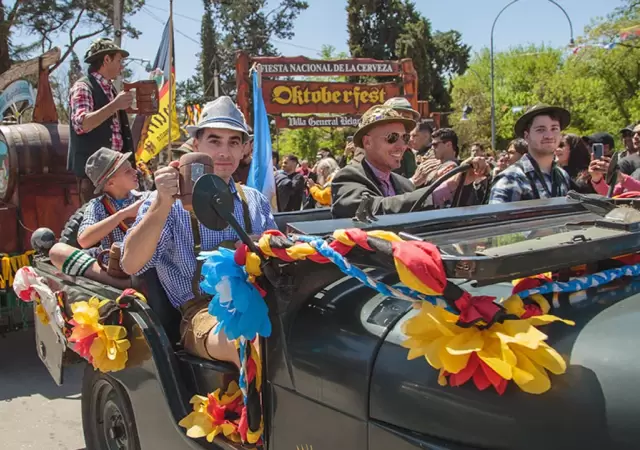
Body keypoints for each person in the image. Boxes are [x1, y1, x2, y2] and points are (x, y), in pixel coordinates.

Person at [120, 96, 277, 365]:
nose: (225, 153)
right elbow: (131, 264)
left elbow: (278, 256)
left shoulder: (254, 200)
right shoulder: (167, 202)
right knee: (251, 343)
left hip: (259, 301)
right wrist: (161, 204)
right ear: (196, 145)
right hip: (202, 314)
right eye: (214, 141)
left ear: (245, 150)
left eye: (233, 142)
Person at [331, 105, 486, 219]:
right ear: (367, 142)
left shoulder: (404, 184)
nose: (402, 146)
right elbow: (374, 210)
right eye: (391, 138)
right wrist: (444, 187)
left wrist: (462, 182)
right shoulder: (347, 177)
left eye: (404, 138)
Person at [49, 148, 147, 289]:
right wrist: (123, 214)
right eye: (127, 171)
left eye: (132, 168)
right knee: (57, 251)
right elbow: (84, 240)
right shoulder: (97, 206)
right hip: (112, 266)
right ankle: (120, 283)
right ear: (110, 183)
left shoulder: (146, 198)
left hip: (145, 263)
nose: (135, 172)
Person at [68, 38, 135, 204]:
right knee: (97, 225)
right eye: (119, 60)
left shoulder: (110, 89)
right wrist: (115, 105)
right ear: (106, 59)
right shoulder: (83, 87)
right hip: (95, 178)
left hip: (115, 175)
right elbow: (82, 124)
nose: (122, 66)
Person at [489, 104, 572, 204]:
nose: (549, 135)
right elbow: (499, 219)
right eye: (541, 130)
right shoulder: (511, 178)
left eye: (554, 129)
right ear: (527, 136)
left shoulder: (562, 175)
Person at [385, 97, 420, 178]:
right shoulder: (374, 149)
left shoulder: (408, 153)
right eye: (396, 117)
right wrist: (413, 182)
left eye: (408, 118)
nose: (403, 123)